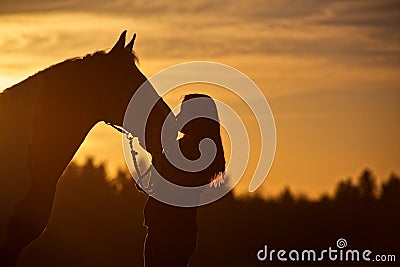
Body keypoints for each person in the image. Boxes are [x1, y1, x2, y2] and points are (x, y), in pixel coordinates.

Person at [141, 94, 226, 267]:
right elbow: (150, 184)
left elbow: (171, 185)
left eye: (184, 113)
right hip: (160, 229)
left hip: (174, 232)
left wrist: (158, 154)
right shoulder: (182, 146)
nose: (178, 117)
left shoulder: (205, 151)